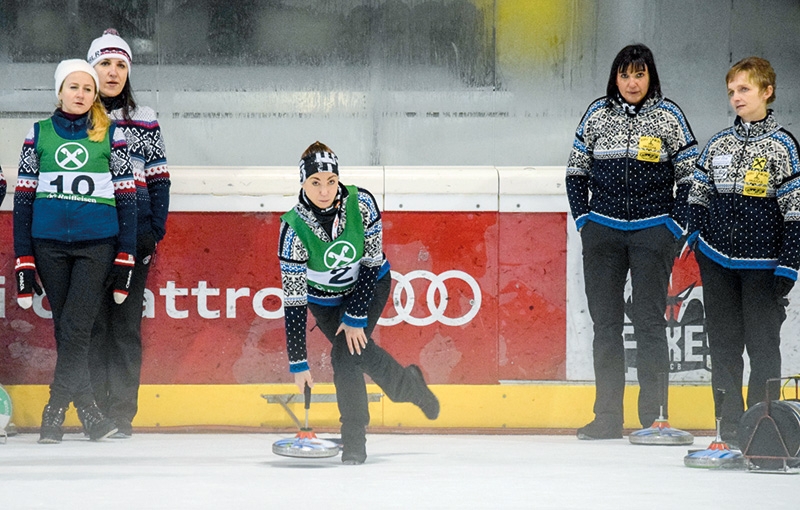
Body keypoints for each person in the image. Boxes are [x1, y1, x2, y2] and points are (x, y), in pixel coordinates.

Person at [565, 44, 699, 439]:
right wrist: (585, 222)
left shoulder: (669, 116)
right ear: (615, 78)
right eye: (625, 75)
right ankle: (607, 417)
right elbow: (575, 172)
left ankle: (653, 419)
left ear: (650, 76)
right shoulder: (597, 113)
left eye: (639, 74)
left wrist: (674, 226)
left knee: (650, 324)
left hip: (652, 232)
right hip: (602, 233)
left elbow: (691, 177)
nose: (632, 82)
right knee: (605, 326)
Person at [278, 141, 439, 464]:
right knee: (355, 352)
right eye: (315, 182)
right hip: (324, 303)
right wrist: (298, 362)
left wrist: (355, 315)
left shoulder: (362, 203)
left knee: (345, 354)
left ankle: (354, 439)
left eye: (331, 181)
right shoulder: (292, 230)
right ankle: (407, 387)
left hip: (370, 284)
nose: (325, 191)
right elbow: (294, 300)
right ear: (303, 183)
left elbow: (370, 261)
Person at [13, 59, 137, 443]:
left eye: (87, 88)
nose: (80, 94)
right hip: (48, 244)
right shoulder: (38, 134)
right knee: (65, 329)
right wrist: (23, 259)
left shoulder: (111, 134)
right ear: (59, 91)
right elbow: (23, 199)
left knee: (77, 327)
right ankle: (89, 412)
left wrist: (126, 254)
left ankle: (54, 409)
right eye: (73, 87)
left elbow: (128, 199)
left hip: (96, 245)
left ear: (94, 94)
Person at [688, 57, 800, 447]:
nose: (736, 97)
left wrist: (788, 266)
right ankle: (728, 428)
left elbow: (796, 212)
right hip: (717, 262)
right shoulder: (718, 143)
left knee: (763, 349)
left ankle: (761, 429)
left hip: (764, 268)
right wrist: (697, 238)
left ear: (767, 92)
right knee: (723, 349)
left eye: (745, 89)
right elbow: (697, 194)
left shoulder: (784, 146)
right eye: (732, 91)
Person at [86, 29, 171, 439]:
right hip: (90, 235)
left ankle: (121, 413)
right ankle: (95, 412)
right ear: (91, 68)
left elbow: (159, 179)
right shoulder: (78, 115)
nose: (113, 72)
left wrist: (153, 230)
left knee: (124, 327)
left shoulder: (145, 118)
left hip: (134, 236)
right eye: (105, 63)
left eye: (120, 64)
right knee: (92, 327)